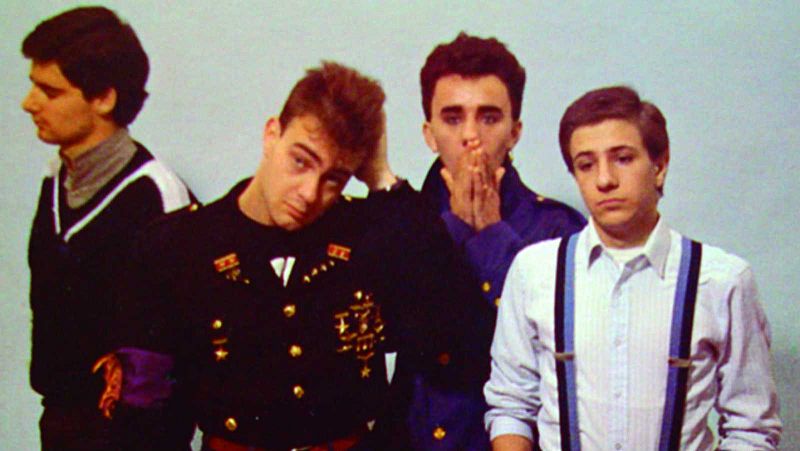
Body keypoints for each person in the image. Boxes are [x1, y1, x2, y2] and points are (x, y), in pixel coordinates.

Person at [109, 61, 492, 450]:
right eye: (300, 161)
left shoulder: (370, 235)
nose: (309, 193)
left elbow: (459, 339)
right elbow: (144, 409)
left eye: (334, 178)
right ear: (271, 134)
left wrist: (381, 177)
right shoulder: (178, 245)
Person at [485, 86, 782, 450]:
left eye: (623, 158)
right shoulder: (534, 272)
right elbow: (511, 405)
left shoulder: (723, 280)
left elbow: (751, 428)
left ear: (660, 165)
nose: (604, 180)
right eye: (586, 165)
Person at [397, 32, 585, 450]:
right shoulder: (404, 221)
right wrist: (455, 229)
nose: (471, 136)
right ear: (429, 133)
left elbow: (563, 351)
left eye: (488, 118)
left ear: (514, 132)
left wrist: (491, 236)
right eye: (452, 118)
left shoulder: (557, 229)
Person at [21, 6, 195, 450]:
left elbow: (182, 353)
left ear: (103, 98)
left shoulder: (159, 197)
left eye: (49, 91)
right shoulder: (54, 180)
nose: (29, 103)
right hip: (59, 424)